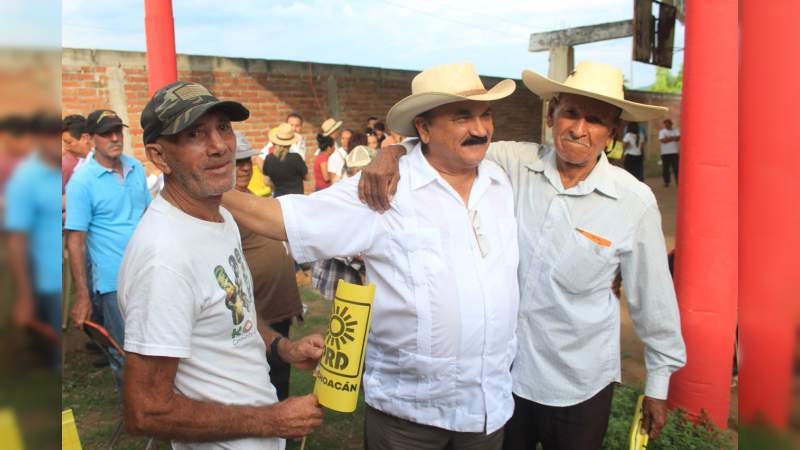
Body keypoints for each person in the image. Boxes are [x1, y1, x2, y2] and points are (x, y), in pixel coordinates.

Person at [360, 61, 687, 448]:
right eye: (570, 113)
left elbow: (654, 301)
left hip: (579, 384)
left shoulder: (633, 202)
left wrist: (658, 385)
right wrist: (393, 151)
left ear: (614, 132)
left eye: (596, 120)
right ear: (552, 115)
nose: (579, 129)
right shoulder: (513, 163)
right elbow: (448, 144)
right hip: (505, 381)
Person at [222, 62, 521, 450]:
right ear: (425, 129)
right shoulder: (384, 189)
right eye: (462, 116)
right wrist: (206, 185)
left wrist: (396, 147)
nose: (480, 129)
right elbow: (282, 218)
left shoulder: (503, 179)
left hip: (486, 408)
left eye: (485, 115)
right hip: (410, 415)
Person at [118, 81, 324, 450]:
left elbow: (234, 313)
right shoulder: (164, 258)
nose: (220, 146)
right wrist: (271, 419)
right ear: (160, 156)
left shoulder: (219, 215)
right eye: (195, 134)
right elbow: (146, 411)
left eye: (224, 128)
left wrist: (282, 348)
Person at [65, 109, 151, 386]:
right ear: (91, 139)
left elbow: (150, 214)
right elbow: (75, 239)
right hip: (113, 282)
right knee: (126, 353)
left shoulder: (135, 167)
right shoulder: (82, 181)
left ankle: (163, 409)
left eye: (118, 131)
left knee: (157, 345)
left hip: (149, 270)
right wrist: (82, 296)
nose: (115, 138)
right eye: (107, 133)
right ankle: (136, 415)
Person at [232, 131, 304, 401]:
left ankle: (282, 429)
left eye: (247, 161)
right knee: (259, 377)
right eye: (236, 162)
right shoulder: (219, 207)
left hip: (278, 305)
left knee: (280, 370)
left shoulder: (252, 195)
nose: (244, 167)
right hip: (254, 311)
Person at [5, 112, 62, 365]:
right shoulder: (26, 179)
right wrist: (24, 295)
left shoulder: (63, 171)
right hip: (45, 281)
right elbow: (17, 241)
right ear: (39, 138)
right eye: (51, 136)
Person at [262, 123, 308, 197]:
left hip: (279, 198)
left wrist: (276, 188)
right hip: (296, 198)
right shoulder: (296, 158)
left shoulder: (268, 158)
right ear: (290, 143)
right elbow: (307, 177)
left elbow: (266, 181)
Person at [61, 114, 92, 190]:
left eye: (69, 142)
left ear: (85, 138)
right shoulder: (80, 164)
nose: (66, 148)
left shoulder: (102, 164)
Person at [658, 118, 680, 187]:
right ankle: (666, 182)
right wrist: (672, 138)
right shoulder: (662, 132)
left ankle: (678, 182)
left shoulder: (676, 130)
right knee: (665, 168)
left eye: (668, 123)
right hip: (665, 153)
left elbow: (678, 138)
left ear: (671, 124)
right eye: (666, 124)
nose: (667, 125)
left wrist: (668, 138)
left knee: (676, 168)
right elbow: (662, 140)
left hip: (674, 152)